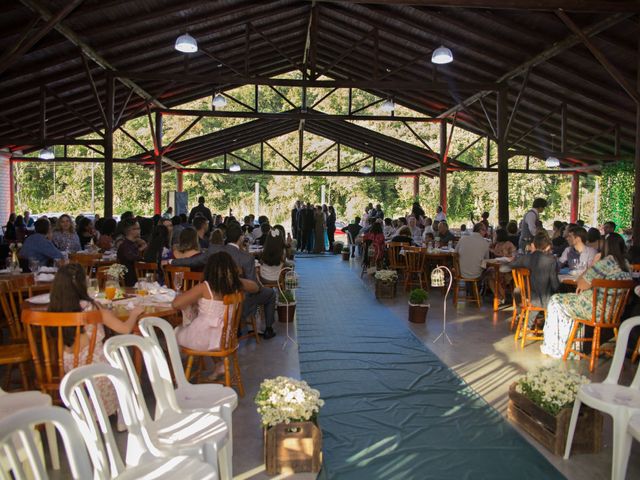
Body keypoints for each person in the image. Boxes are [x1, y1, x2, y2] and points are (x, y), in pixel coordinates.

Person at [50, 263, 144, 421]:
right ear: (82, 284)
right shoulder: (92, 308)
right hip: (95, 367)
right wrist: (134, 314)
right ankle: (122, 415)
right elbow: (124, 329)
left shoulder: (54, 309)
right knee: (122, 361)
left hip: (66, 365)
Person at [541, 233, 632, 358]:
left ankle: (557, 347)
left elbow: (581, 284)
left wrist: (593, 264)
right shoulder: (627, 265)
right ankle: (572, 345)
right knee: (567, 300)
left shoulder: (605, 263)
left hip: (595, 310)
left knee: (555, 300)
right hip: (614, 313)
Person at [173, 252, 258, 356]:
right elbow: (255, 287)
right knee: (198, 329)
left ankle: (175, 367)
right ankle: (219, 365)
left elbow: (176, 304)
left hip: (203, 339)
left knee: (176, 331)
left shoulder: (205, 287)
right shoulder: (235, 286)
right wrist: (236, 280)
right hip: (225, 338)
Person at [508, 233, 559, 326]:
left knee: (520, 290)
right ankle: (548, 325)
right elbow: (554, 284)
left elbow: (507, 267)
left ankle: (526, 321)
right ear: (547, 247)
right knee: (556, 295)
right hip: (540, 298)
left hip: (525, 295)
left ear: (534, 245)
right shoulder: (551, 260)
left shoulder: (526, 258)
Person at [487, 228, 517, 301]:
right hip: (499, 267)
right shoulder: (497, 244)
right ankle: (500, 296)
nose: (494, 236)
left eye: (495, 235)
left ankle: (501, 296)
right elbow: (491, 249)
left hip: (507, 268)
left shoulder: (509, 244)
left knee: (492, 274)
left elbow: (514, 255)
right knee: (490, 273)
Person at [116, 219, 145, 287]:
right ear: (130, 230)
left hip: (136, 279)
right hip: (131, 282)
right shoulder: (125, 246)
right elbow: (133, 258)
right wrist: (142, 249)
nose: (139, 230)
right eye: (138, 228)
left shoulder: (132, 244)